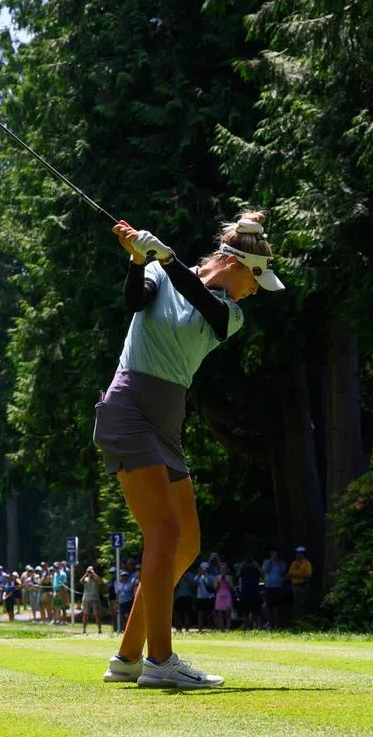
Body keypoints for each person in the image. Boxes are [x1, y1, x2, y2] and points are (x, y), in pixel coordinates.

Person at [95, 212, 284, 689]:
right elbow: (135, 299)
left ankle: (127, 657)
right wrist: (140, 261)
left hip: (166, 423)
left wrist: (165, 256)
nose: (255, 290)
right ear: (234, 262)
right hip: (131, 406)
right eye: (255, 278)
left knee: (187, 544)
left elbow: (201, 300)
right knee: (163, 531)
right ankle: (160, 661)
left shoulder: (230, 313)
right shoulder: (159, 273)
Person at [262, 549, 288, 628]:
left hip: (278, 587)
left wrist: (277, 561)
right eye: (272, 553)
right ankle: (270, 624)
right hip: (268, 587)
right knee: (269, 606)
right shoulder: (266, 562)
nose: (274, 554)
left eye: (275, 553)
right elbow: (264, 570)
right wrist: (271, 560)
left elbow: (283, 571)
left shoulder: (282, 563)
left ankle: (277, 624)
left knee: (277, 607)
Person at [236, 556, 263, 629]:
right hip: (245, 592)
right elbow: (237, 574)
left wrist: (257, 565)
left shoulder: (255, 569)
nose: (249, 564)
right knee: (245, 611)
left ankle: (259, 626)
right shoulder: (243, 569)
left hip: (255, 592)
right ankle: (246, 625)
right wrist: (242, 564)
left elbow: (263, 574)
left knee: (258, 611)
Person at [289, 546, 314, 618]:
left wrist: (297, 575)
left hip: (303, 586)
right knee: (296, 604)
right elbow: (290, 573)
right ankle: (296, 619)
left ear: (302, 554)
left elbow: (309, 575)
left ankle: (303, 619)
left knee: (303, 603)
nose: (297, 555)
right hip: (295, 586)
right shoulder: (293, 563)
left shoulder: (307, 563)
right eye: (297, 553)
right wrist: (293, 574)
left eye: (298, 553)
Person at [81, 566, 104, 634]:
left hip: (95, 599)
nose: (90, 573)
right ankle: (84, 629)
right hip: (86, 599)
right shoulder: (86, 579)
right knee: (85, 614)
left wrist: (94, 574)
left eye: (90, 571)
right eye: (89, 571)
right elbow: (81, 581)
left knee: (97, 614)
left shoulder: (96, 578)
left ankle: (99, 630)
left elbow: (101, 582)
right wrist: (86, 573)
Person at [213, 564, 234, 631]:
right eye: (222, 569)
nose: (223, 570)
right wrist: (219, 582)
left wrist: (227, 581)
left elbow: (232, 587)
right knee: (220, 614)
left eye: (224, 569)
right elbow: (215, 588)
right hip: (219, 596)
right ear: (220, 570)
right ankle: (221, 628)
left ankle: (228, 628)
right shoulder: (217, 577)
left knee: (228, 613)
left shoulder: (229, 577)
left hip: (227, 596)